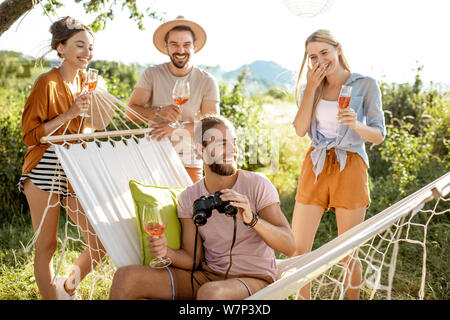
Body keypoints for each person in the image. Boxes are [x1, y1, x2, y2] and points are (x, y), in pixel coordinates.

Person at [109, 115, 295, 300]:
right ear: (201, 150)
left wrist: (251, 219)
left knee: (211, 293)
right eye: (222, 143)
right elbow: (192, 259)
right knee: (126, 278)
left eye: (234, 142)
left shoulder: (257, 185)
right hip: (208, 277)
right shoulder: (190, 197)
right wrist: (166, 252)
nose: (232, 150)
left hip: (255, 279)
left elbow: (289, 246)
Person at [291, 29, 386, 300]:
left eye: (324, 52)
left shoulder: (365, 84)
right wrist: (310, 88)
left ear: (338, 49)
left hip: (351, 164)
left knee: (349, 251)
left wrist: (356, 124)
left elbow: (378, 136)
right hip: (316, 164)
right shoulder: (311, 87)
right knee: (300, 249)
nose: (319, 60)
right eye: (312, 57)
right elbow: (299, 130)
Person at [18, 16, 105, 300]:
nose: (87, 53)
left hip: (72, 170)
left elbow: (87, 131)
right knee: (48, 245)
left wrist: (92, 112)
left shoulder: (87, 83)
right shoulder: (46, 83)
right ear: (60, 48)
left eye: (90, 47)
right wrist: (69, 114)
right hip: (43, 170)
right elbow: (30, 135)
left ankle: (67, 287)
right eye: (80, 45)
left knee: (100, 239)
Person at [127, 16, 220, 183]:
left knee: (188, 207)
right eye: (174, 44)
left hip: (190, 158)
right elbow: (130, 113)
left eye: (186, 45)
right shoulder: (152, 74)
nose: (181, 50)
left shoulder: (207, 81)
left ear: (194, 47)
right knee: (153, 207)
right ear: (166, 46)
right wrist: (158, 111)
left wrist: (175, 129)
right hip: (154, 153)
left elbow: (212, 127)